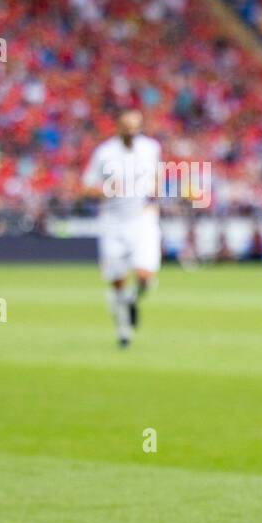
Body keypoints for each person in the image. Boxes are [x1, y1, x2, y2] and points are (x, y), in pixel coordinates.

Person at [80, 109, 162, 348]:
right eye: (127, 127)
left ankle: (132, 298)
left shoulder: (151, 148)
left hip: (142, 218)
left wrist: (155, 190)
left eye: (135, 127)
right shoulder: (105, 153)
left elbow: (156, 176)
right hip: (113, 220)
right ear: (118, 128)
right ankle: (124, 331)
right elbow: (86, 187)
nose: (131, 133)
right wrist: (106, 189)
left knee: (146, 276)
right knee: (117, 279)